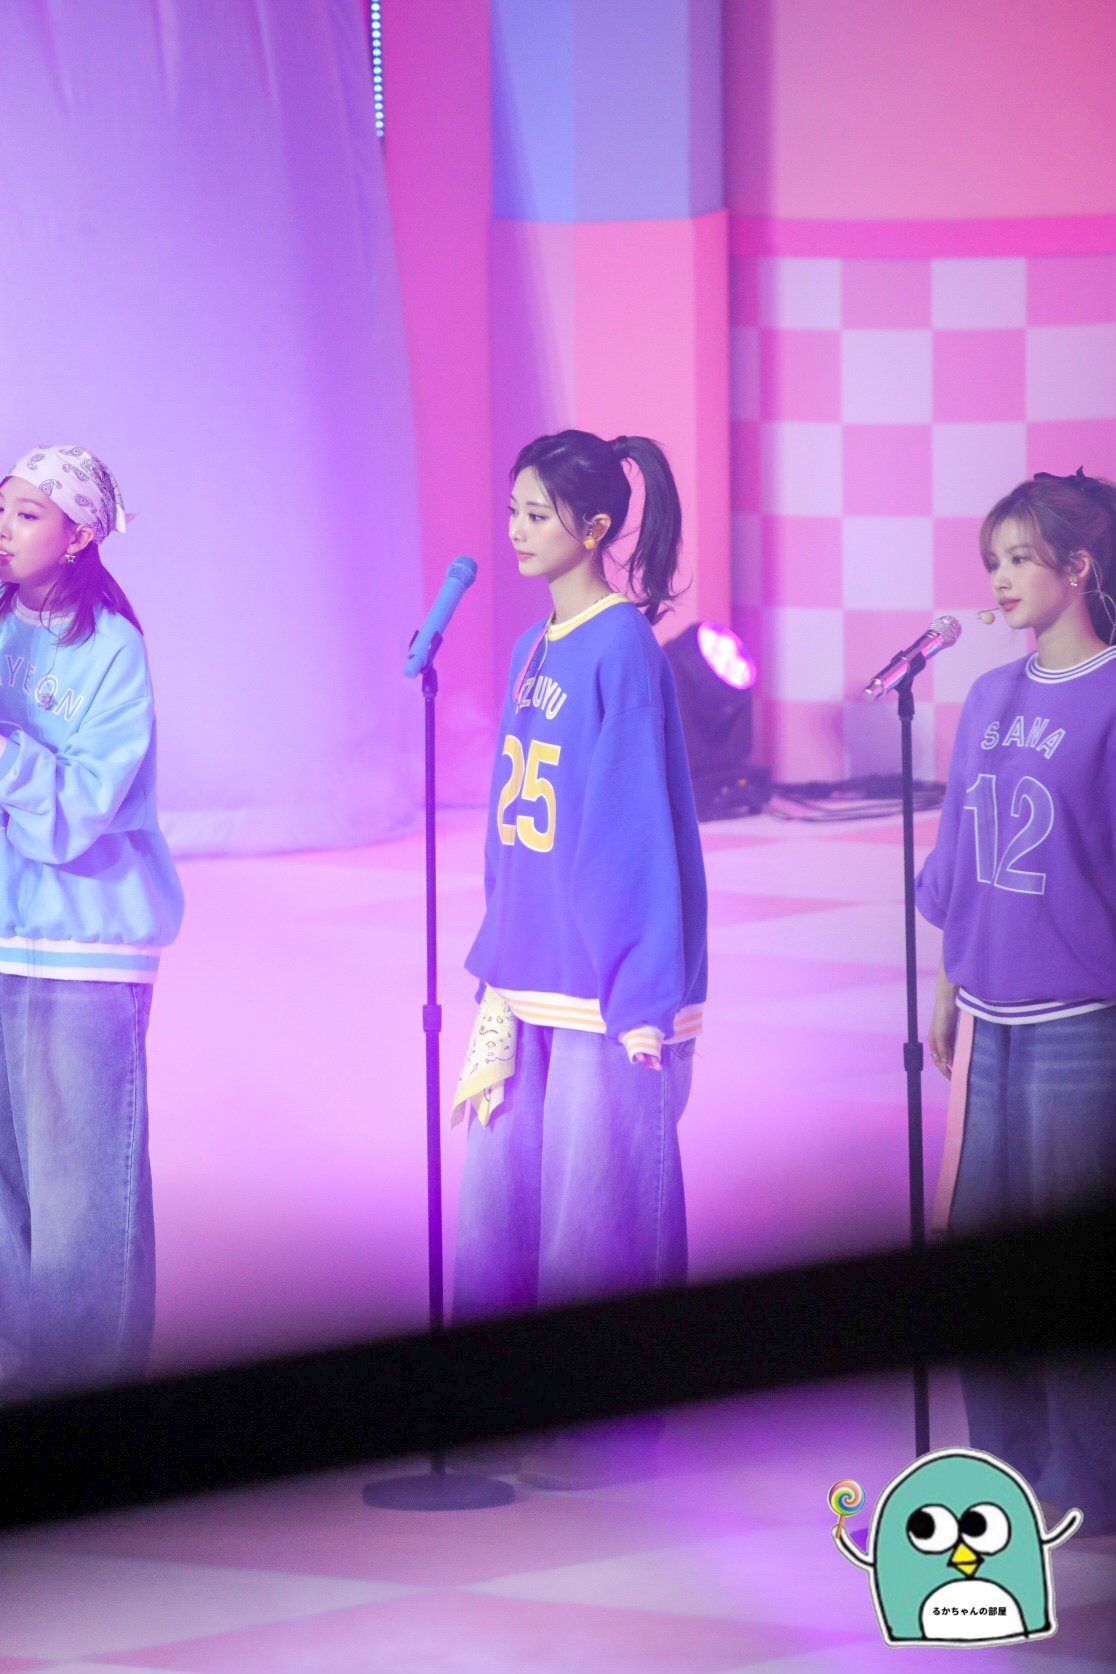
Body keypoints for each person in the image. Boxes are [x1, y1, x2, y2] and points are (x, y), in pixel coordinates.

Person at [450, 430, 707, 1484]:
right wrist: (494, 958)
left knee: (596, 1218)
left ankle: (607, 1426)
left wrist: (643, 992)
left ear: (595, 527)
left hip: (600, 985)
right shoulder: (532, 644)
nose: (516, 530)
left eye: (538, 513)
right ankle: (503, 1406)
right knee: (499, 1216)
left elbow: (637, 827)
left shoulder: (623, 648)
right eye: (513, 508)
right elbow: (508, 821)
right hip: (524, 972)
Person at [917, 467, 1116, 1534]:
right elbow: (959, 857)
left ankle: (1098, 1485)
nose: (998, 579)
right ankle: (1006, 1471)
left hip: (1085, 1027)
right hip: (990, 1022)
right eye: (991, 561)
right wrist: (948, 988)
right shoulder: (989, 696)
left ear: (1078, 567)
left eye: (1020, 559)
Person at [0, 445, 183, 1392]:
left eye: (28, 514)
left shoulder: (112, 649)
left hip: (82, 952)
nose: (4, 528)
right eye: (2, 509)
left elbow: (76, 813)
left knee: (82, 1206)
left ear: (79, 535)